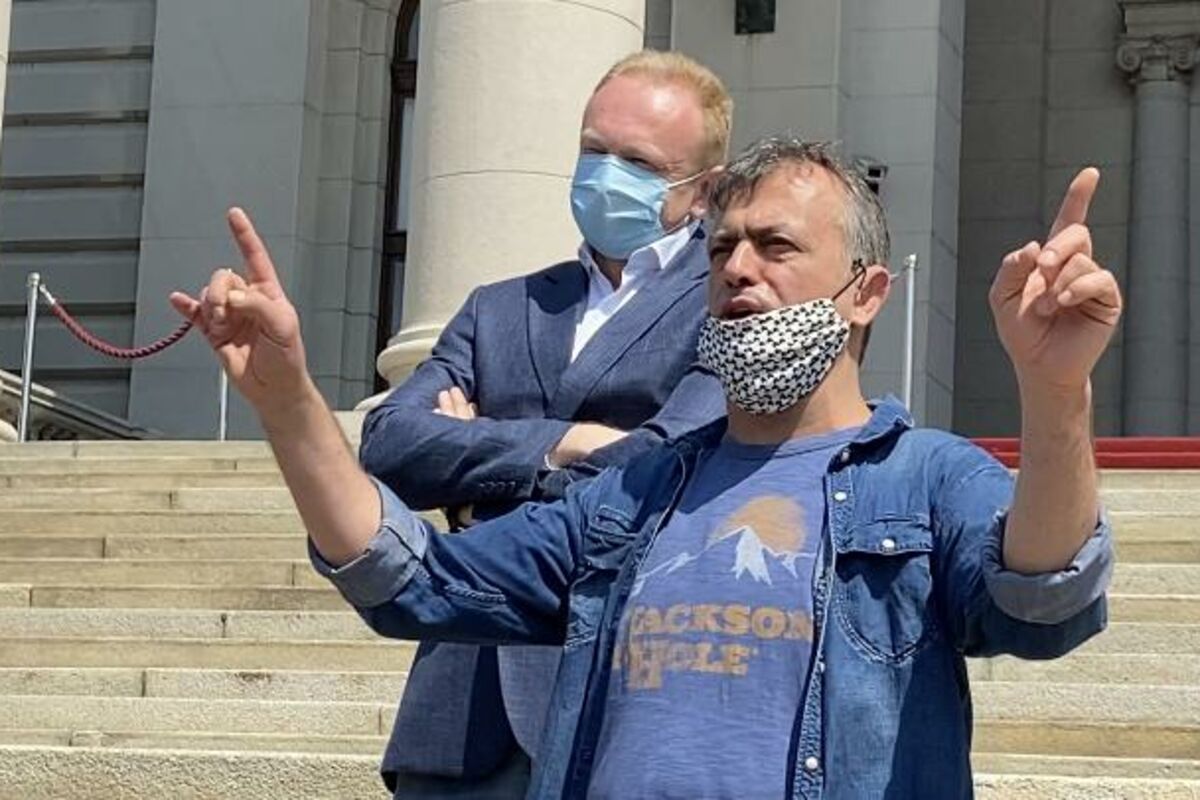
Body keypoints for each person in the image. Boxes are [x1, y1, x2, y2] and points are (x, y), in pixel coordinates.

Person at [171, 137, 1120, 799]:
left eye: (777, 246)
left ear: (866, 292)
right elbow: (413, 580)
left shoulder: (926, 478)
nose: (738, 268)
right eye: (723, 247)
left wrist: (1055, 389)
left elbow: (1043, 600)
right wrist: (289, 403)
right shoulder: (637, 490)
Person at [355, 50, 730, 797]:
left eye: (638, 162)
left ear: (704, 190)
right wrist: (562, 443)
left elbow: (664, 468)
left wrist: (473, 499)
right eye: (594, 150)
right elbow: (388, 444)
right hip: (460, 716)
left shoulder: (728, 301)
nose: (606, 175)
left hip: (622, 697)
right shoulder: (500, 307)